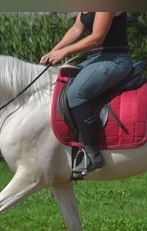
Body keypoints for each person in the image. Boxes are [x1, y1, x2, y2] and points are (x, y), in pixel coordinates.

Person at [40, 12, 133, 175]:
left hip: (114, 59)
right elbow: (76, 29)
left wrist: (64, 52)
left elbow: (97, 38)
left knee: (76, 94)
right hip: (95, 59)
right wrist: (53, 52)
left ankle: (92, 155)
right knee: (59, 85)